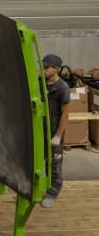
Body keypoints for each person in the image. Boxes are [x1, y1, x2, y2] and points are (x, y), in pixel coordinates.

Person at [40, 53, 71, 208]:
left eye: (47, 67)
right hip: (41, 130)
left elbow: (65, 114)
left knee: (54, 165)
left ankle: (52, 194)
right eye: (43, 66)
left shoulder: (62, 88)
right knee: (37, 161)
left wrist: (58, 136)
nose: (44, 70)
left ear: (56, 69)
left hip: (54, 132)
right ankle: (33, 187)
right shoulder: (42, 83)